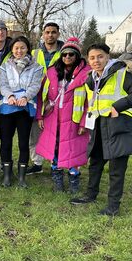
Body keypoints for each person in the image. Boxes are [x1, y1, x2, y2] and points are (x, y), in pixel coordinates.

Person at [70, 43, 132, 216]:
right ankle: (91, 195)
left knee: (116, 169)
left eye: (100, 56)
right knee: (95, 163)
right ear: (88, 60)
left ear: (107, 57)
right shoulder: (91, 79)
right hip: (98, 125)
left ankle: (113, 206)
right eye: (92, 58)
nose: (96, 60)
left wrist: (118, 106)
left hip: (119, 125)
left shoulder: (121, 74)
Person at [35, 37, 90, 193]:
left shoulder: (86, 74)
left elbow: (89, 102)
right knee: (55, 149)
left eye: (71, 54)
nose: (67, 57)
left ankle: (74, 180)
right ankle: (57, 179)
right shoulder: (52, 71)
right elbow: (41, 95)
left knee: (74, 151)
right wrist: (40, 116)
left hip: (74, 119)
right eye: (64, 54)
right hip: (53, 119)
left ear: (77, 56)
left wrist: (83, 123)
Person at [0, 36, 43, 187]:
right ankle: (7, 174)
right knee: (6, 141)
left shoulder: (36, 67)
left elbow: (35, 85)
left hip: (25, 107)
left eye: (22, 48)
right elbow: (3, 84)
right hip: (7, 106)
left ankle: (22, 177)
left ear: (27, 49)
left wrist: (25, 96)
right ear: (11, 49)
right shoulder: (4, 66)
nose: (19, 51)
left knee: (23, 142)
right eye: (16, 48)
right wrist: (9, 95)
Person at [28, 22, 64, 175]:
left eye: (53, 32)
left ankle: (58, 163)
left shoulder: (65, 52)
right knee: (34, 132)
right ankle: (37, 163)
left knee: (57, 133)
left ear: (58, 34)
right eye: (47, 32)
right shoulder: (34, 53)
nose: (50, 35)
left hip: (57, 97)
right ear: (42, 34)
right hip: (37, 96)